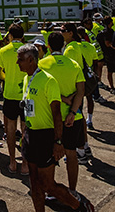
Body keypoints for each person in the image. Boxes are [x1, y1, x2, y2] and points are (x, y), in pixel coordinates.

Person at [15, 44, 94, 212]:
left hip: (46, 136)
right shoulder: (26, 79)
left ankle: (79, 206)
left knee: (48, 185)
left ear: (31, 60)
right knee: (34, 183)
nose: (17, 63)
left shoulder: (48, 80)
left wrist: (58, 141)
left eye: (20, 60)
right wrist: (24, 134)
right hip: (31, 136)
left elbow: (57, 115)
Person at [38, 32, 86, 195]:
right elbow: (81, 92)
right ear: (63, 44)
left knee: (47, 157)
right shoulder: (74, 64)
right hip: (73, 117)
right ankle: (72, 190)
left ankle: (49, 190)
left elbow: (40, 90)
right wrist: (72, 110)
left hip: (49, 118)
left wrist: (61, 98)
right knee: (71, 155)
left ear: (49, 46)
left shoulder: (42, 64)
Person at [0, 23, 27, 174]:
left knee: (11, 129)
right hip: (26, 95)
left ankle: (13, 162)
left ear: (10, 35)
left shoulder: (4, 50)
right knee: (26, 130)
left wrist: (7, 79)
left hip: (10, 94)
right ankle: (26, 164)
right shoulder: (28, 50)